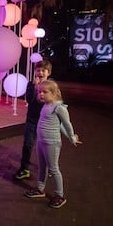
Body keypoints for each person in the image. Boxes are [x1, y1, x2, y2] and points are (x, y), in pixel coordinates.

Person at [24, 80, 82, 209]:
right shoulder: (46, 105)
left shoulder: (59, 107)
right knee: (42, 166)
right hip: (41, 141)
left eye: (45, 92)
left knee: (53, 169)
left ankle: (59, 195)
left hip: (52, 143)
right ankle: (40, 189)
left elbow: (66, 125)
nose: (41, 94)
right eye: (39, 92)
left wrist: (71, 137)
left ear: (54, 93)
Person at [14, 60, 52, 180]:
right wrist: (35, 87)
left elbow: (51, 101)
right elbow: (30, 100)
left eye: (43, 70)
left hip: (46, 120)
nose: (40, 72)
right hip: (31, 120)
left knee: (46, 145)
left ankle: (50, 168)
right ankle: (24, 168)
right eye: (38, 70)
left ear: (48, 73)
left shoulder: (52, 85)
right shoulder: (31, 84)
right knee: (28, 144)